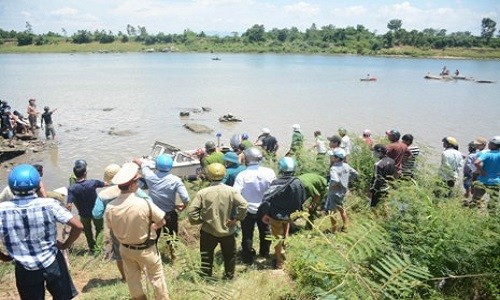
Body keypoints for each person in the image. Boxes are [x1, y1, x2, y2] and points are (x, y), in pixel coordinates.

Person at [0, 164, 83, 299]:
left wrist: (4, 257)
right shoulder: (48, 204)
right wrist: (65, 245)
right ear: (37, 184)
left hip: (24, 268)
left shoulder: (2, 209)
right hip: (52, 261)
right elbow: (78, 226)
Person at [105, 163, 170, 300]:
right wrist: (154, 227)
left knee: (133, 279)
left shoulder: (111, 206)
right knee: (157, 278)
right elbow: (162, 221)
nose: (139, 184)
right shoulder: (143, 203)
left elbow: (110, 227)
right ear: (131, 185)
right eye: (137, 182)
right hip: (146, 249)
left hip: (125, 249)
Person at [188, 163, 248, 279]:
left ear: (209, 176)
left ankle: (206, 276)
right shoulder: (232, 191)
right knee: (230, 256)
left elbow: (192, 211)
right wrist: (236, 219)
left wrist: (198, 220)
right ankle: (229, 276)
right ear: (224, 174)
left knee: (206, 255)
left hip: (208, 230)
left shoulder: (203, 192)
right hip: (227, 231)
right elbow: (244, 205)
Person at [133, 154, 190, 262]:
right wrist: (184, 205)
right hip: (169, 214)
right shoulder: (176, 180)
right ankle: (173, 256)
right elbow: (186, 198)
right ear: (170, 166)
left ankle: (153, 257)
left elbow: (143, 165)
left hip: (154, 214)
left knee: (153, 237)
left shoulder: (149, 176)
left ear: (157, 166)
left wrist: (136, 160)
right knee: (172, 237)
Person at [258, 157, 305, 269]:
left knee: (277, 237)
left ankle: (279, 261)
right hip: (291, 215)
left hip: (276, 216)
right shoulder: (298, 182)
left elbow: (268, 200)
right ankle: (285, 248)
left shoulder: (275, 183)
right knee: (285, 231)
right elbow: (302, 199)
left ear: (281, 169)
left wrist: (266, 214)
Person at [233, 147, 276, 264]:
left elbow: (235, 193)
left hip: (247, 209)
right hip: (265, 208)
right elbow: (274, 190)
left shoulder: (242, 175)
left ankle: (247, 258)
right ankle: (264, 253)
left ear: (247, 159)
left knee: (247, 234)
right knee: (265, 231)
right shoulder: (269, 172)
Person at [67, 161, 107, 252]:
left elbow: (69, 205)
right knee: (99, 229)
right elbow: (106, 184)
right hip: (96, 211)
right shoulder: (92, 182)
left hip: (83, 214)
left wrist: (67, 220)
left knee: (87, 231)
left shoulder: (72, 188)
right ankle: (98, 249)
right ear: (85, 173)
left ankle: (92, 247)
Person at [324, 149, 358, 233]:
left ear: (337, 158)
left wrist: (329, 187)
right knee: (341, 208)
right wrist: (346, 180)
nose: (332, 157)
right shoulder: (346, 165)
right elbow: (355, 174)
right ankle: (345, 226)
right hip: (343, 191)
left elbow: (335, 180)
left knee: (332, 212)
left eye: (333, 156)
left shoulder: (334, 168)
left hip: (334, 192)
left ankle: (334, 230)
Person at [470, 136, 500, 209]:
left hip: (483, 181)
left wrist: (482, 171)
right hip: (496, 182)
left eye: (490, 143)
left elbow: (476, 162)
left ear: (494, 145)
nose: (488, 144)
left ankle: (471, 216)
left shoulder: (487, 154)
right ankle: (491, 218)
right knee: (493, 203)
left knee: (475, 200)